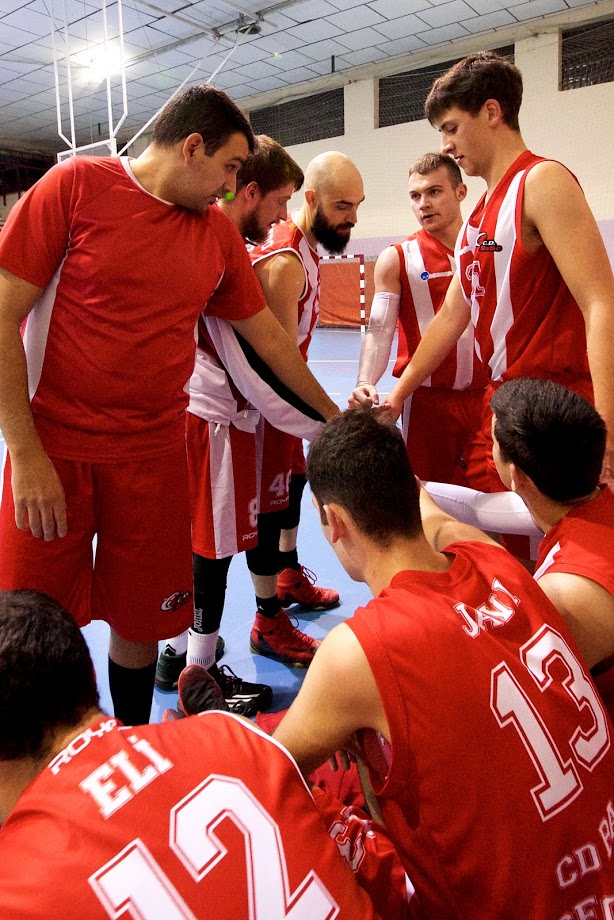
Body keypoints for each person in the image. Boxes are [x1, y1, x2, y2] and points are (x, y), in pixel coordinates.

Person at [0, 85, 339, 727]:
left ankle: (130, 738)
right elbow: (2, 317)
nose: (231, 185)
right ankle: (42, 774)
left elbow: (268, 338)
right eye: (232, 167)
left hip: (153, 460)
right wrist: (26, 452)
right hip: (55, 455)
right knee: (30, 627)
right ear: (192, 148)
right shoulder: (73, 188)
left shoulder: (213, 234)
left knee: (142, 619)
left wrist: (333, 417)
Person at [274, 409, 614, 918]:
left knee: (322, 793)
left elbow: (266, 771)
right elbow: (435, 518)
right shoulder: (496, 559)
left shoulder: (359, 651)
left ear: (334, 522)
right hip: (595, 870)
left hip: (498, 904)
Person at [0, 589, 383, 919]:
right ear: (88, 675)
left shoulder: (17, 886)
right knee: (296, 768)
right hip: (233, 752)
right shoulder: (231, 736)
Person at [381, 51, 614, 493]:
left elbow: (600, 302)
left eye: (451, 127)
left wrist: (609, 424)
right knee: (486, 532)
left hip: (557, 407)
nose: (446, 144)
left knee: (557, 547)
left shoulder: (542, 182)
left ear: (492, 111)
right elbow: (452, 317)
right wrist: (397, 397)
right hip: (504, 404)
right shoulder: (476, 219)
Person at [156, 136, 324, 709]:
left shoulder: (200, 229)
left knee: (199, 537)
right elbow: (259, 365)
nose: (282, 216)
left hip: (191, 409)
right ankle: (199, 671)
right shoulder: (224, 242)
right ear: (247, 191)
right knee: (212, 545)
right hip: (215, 416)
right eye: (277, 202)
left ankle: (176, 651)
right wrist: (324, 424)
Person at [422, 377, 614, 717]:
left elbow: (504, 696)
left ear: (515, 476)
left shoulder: (565, 593)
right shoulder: (585, 503)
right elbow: (477, 508)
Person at [247, 151, 365, 667]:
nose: (353, 218)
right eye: (343, 205)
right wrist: (330, 415)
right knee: (268, 510)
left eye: (358, 206)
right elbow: (275, 364)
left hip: (286, 408)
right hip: (266, 407)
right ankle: (266, 620)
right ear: (310, 200)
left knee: (294, 488)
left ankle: (290, 576)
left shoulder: (309, 249)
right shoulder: (285, 259)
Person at [350, 153, 487, 488]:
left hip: (489, 399)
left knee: (500, 499)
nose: (424, 203)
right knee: (427, 499)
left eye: (434, 192)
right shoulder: (397, 258)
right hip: (426, 405)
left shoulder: (490, 248)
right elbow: (380, 330)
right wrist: (365, 381)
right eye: (415, 196)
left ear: (460, 192)